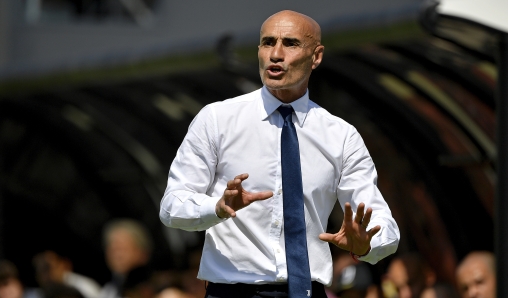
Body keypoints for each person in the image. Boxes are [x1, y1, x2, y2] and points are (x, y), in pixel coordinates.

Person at [160, 10, 400, 298]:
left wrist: (366, 246)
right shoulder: (217, 120)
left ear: (317, 56)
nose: (276, 53)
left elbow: (384, 226)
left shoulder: (341, 136)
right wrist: (217, 208)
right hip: (232, 292)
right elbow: (172, 206)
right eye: (267, 42)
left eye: (291, 43)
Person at [99, 218, 153, 298]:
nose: (116, 255)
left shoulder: (156, 288)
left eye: (122, 249)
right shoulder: (107, 291)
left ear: (142, 253)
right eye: (112, 249)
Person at [32, 250, 101, 298]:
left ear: (63, 265)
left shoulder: (84, 286)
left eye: (50, 269)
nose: (48, 275)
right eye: (42, 272)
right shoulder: (39, 293)